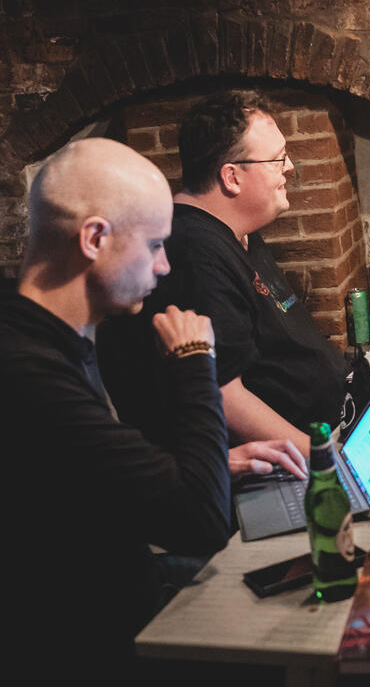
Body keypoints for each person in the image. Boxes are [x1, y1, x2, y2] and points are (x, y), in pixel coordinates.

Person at [3, 139, 305, 674]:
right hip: (91, 638)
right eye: (154, 245)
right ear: (95, 237)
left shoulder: (44, 332)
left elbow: (93, 477)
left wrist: (219, 463)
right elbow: (199, 521)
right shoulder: (29, 370)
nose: (164, 266)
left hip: (120, 586)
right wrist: (195, 361)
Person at [98, 90, 351, 455]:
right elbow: (225, 398)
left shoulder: (236, 233)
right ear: (231, 177)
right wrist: (327, 460)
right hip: (299, 461)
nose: (290, 168)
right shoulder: (194, 254)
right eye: (278, 159)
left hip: (331, 430)